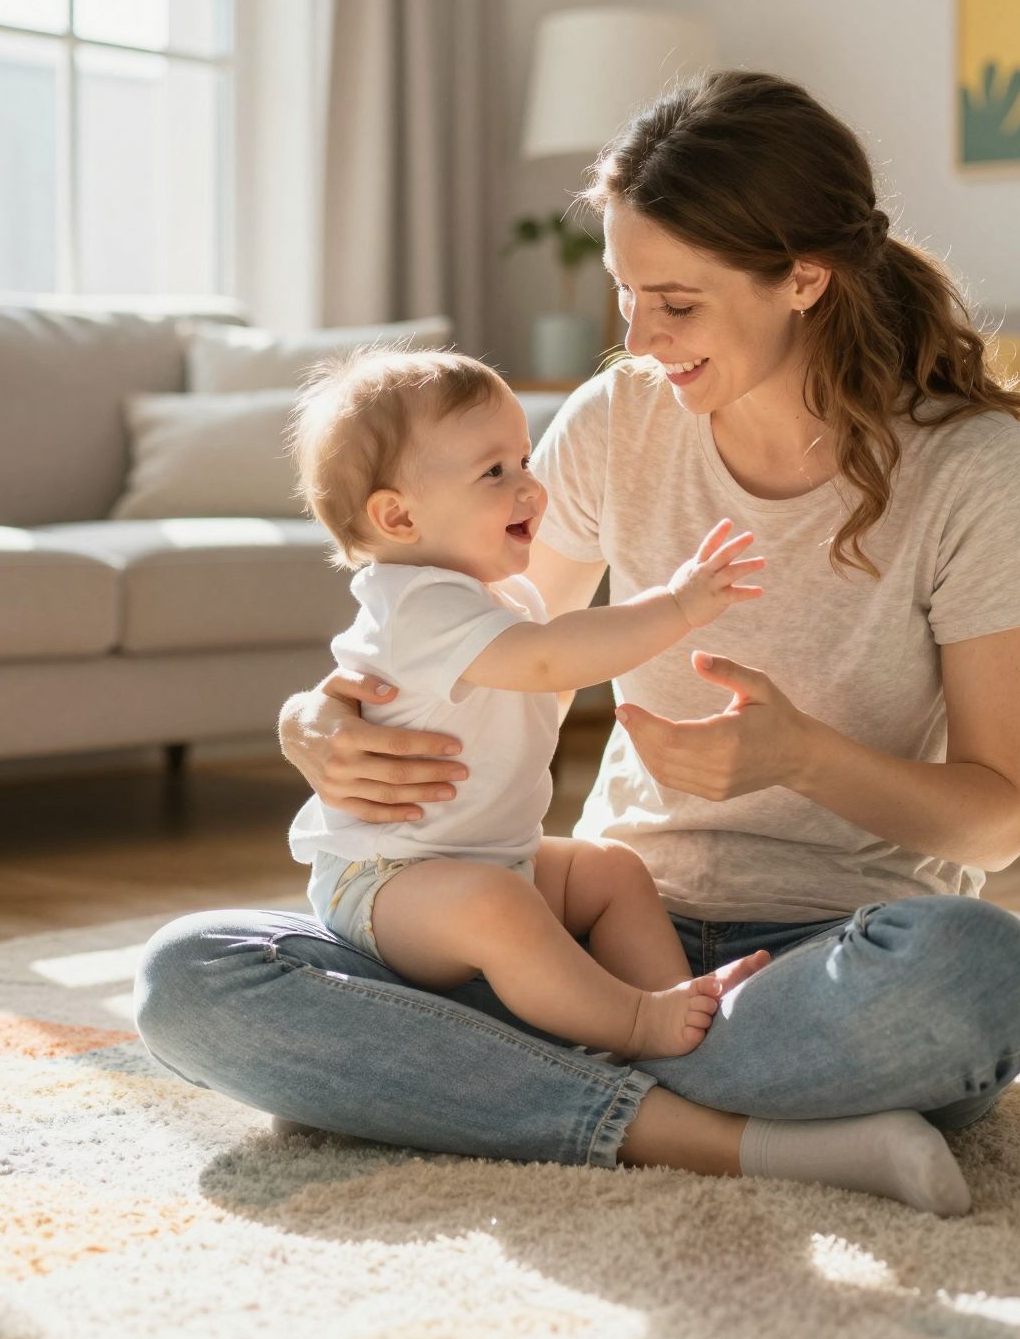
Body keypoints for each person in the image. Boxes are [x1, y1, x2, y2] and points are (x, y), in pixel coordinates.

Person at [136, 68, 1020, 1219]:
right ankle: (701, 1125)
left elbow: (996, 819)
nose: (637, 338)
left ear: (803, 278)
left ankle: (508, 1082)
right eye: (624, 293)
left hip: (824, 957)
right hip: (579, 937)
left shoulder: (965, 464)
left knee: (976, 976)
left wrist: (801, 758)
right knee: (192, 978)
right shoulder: (617, 419)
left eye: (675, 302)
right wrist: (313, 722)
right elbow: (487, 650)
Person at [282, 347, 771, 1060]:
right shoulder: (415, 603)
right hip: (388, 881)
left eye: (524, 460)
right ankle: (637, 1024)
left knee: (611, 871)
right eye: (495, 472)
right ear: (398, 516)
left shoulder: (495, 594)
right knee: (498, 906)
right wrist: (677, 605)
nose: (530, 488)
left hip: (493, 860)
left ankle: (684, 1017)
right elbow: (547, 660)